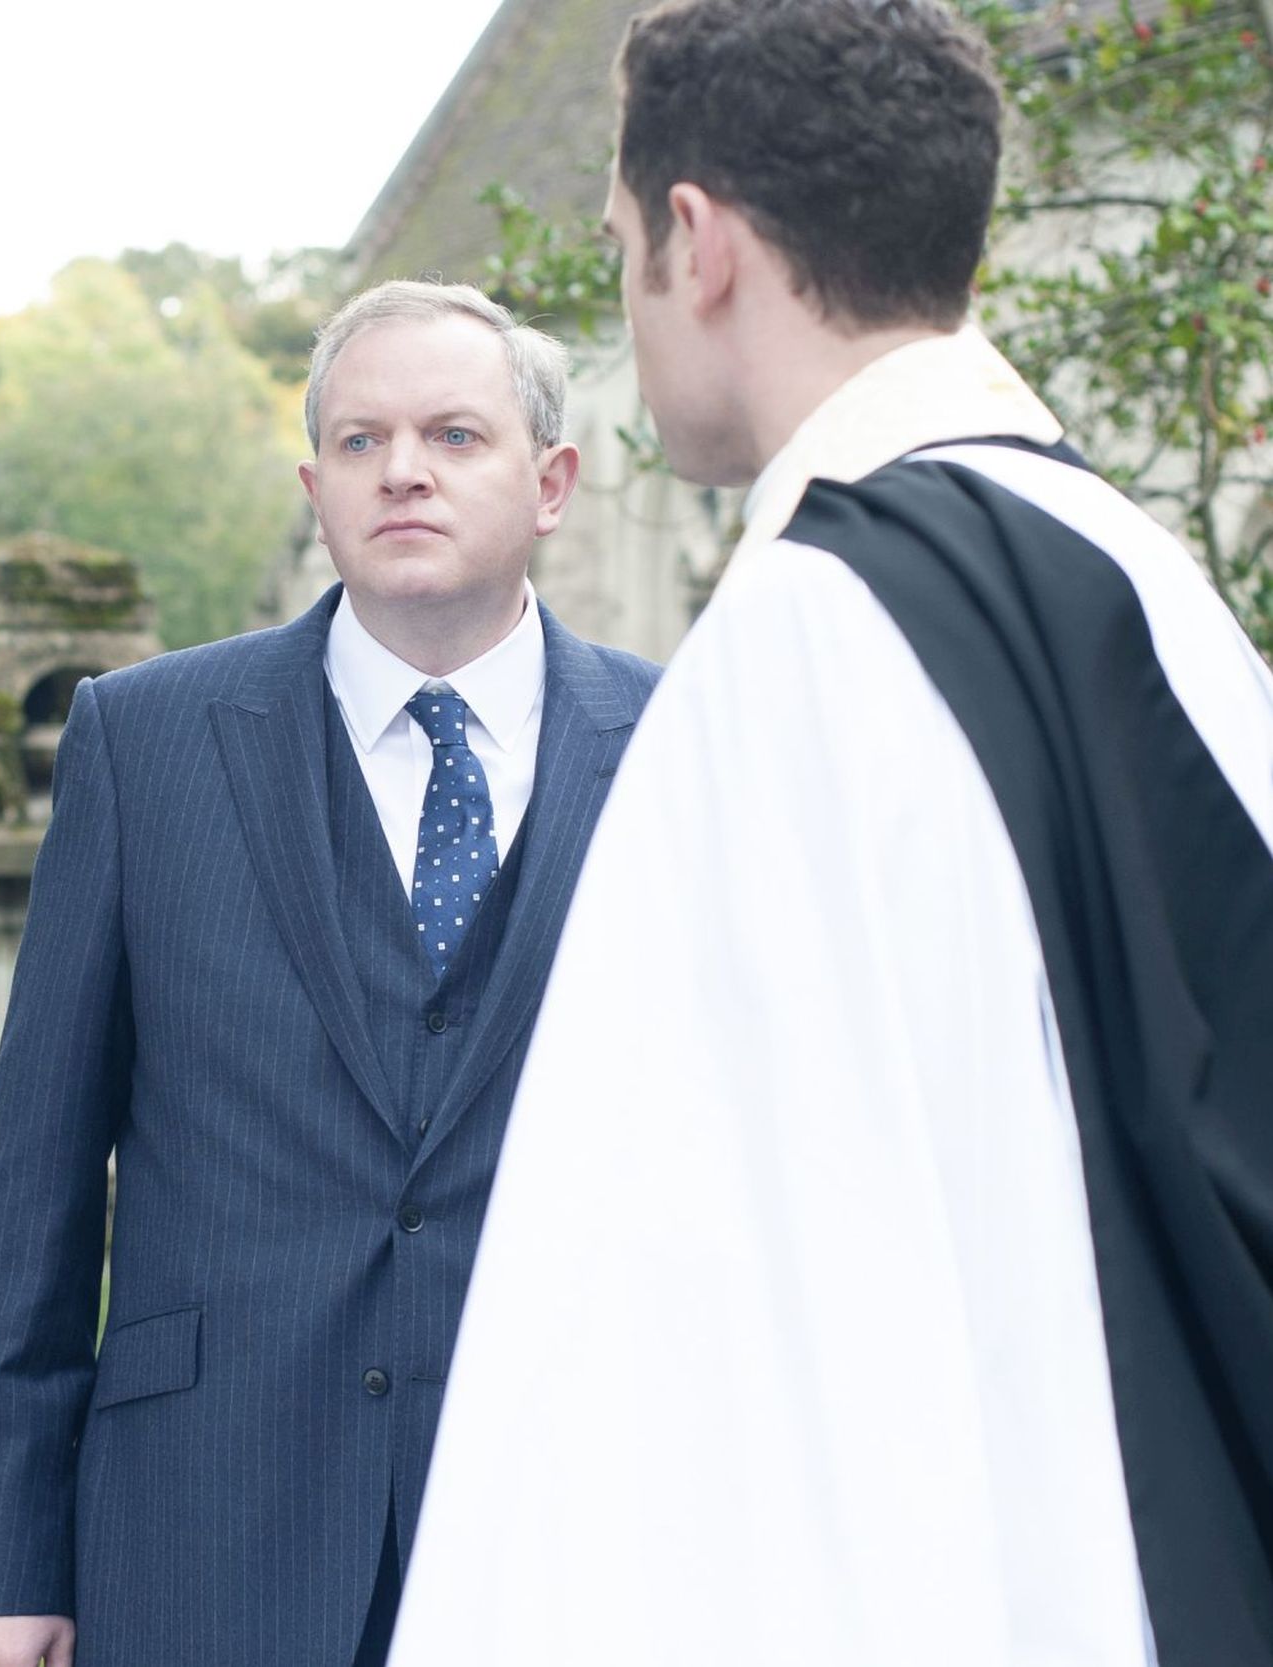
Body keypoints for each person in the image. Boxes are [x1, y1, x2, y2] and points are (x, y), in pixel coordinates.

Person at [388, 2, 1273, 1663]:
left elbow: (679, 1352)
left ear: (699, 244)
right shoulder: (1163, 593)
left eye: (620, 245)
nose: (631, 305)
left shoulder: (800, 644)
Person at [0, 279, 660, 1667]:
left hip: (570, 1529)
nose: (402, 471)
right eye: (358, 441)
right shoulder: (144, 744)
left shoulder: (682, 744)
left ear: (552, 481)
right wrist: (4, 1563)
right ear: (314, 487)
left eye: (455, 437)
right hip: (209, 1520)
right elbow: (34, 1180)